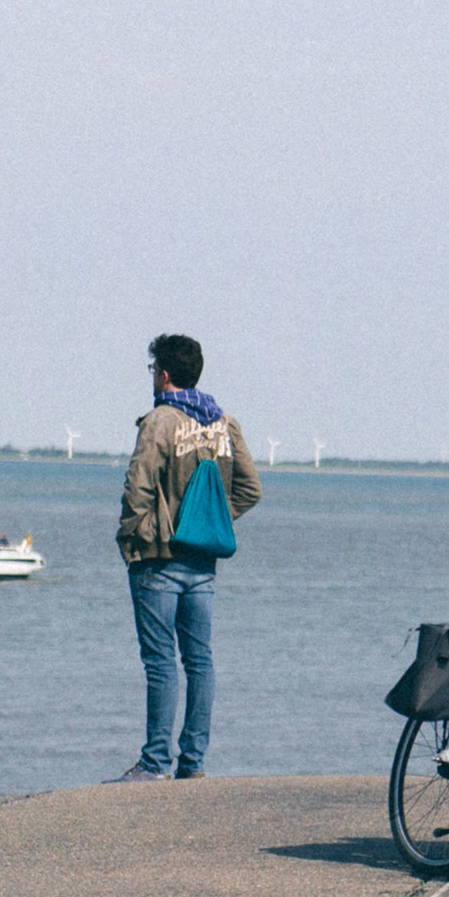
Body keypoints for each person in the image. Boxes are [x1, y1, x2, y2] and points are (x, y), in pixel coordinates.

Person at [111, 333, 261, 782]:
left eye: (154, 370)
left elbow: (138, 486)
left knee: (160, 663)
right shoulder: (224, 424)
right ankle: (192, 763)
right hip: (202, 563)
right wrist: (209, 523)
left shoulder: (161, 420)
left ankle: (155, 762)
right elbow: (250, 490)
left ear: (165, 374)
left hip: (158, 558)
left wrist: (132, 538)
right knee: (200, 662)